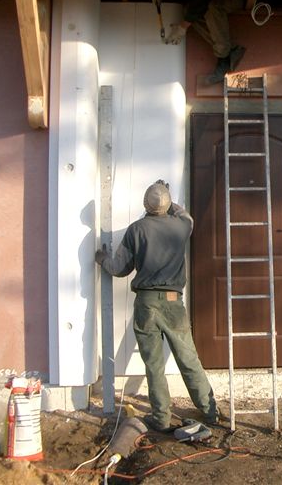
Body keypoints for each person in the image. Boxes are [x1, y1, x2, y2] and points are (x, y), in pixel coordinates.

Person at [95, 180, 217, 431]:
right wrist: (169, 198)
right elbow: (183, 213)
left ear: (145, 204)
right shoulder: (183, 226)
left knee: (154, 363)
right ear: (169, 204)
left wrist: (102, 258)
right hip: (174, 304)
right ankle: (210, 411)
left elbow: (119, 269)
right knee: (188, 358)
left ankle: (161, 417)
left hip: (147, 304)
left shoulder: (136, 229)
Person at [164, 0, 246, 84]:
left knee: (214, 7)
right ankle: (228, 50)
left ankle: (223, 60)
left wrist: (183, 26)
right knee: (189, 11)